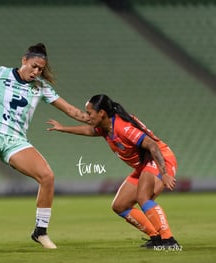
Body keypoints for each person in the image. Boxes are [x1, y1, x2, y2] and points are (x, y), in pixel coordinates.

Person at [0, 43, 89, 249]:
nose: (36, 71)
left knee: (47, 177)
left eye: (40, 69)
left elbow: (72, 111)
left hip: (16, 141)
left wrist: (96, 120)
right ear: (24, 60)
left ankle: (40, 232)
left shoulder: (40, 87)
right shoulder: (1, 74)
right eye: (34, 66)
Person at [46, 94, 181, 249]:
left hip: (160, 159)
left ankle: (169, 240)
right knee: (120, 205)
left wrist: (164, 173)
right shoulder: (105, 126)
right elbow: (89, 131)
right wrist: (63, 129)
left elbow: (152, 145)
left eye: (89, 113)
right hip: (144, 165)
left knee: (143, 197)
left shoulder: (122, 127)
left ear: (102, 113)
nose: (87, 116)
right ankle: (156, 237)